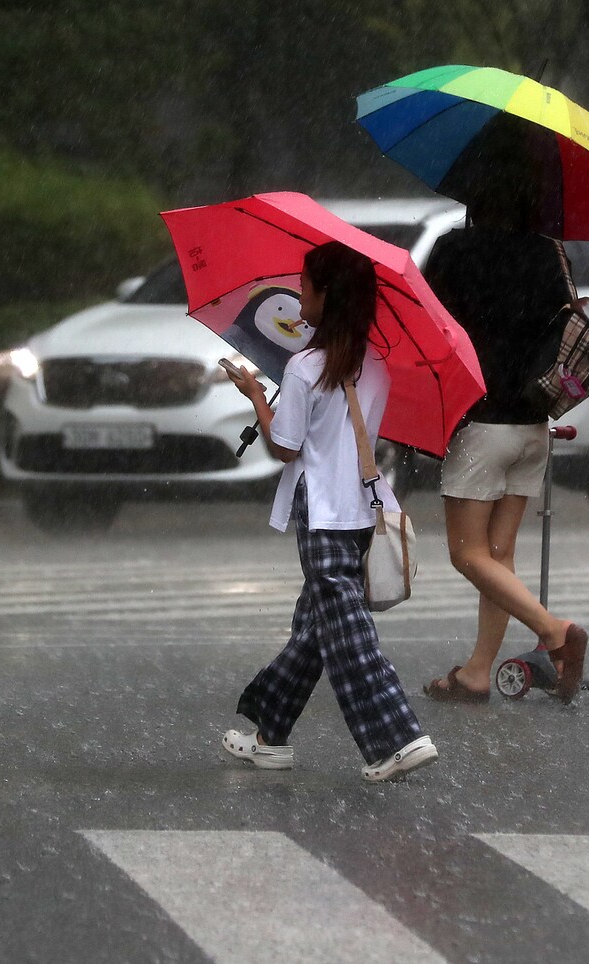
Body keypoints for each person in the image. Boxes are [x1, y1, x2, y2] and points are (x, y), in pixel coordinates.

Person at [220, 241, 438, 782]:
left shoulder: (303, 368)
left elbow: (287, 447)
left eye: (305, 285)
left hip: (319, 513)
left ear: (326, 295)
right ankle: (271, 736)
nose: (298, 294)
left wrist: (255, 397)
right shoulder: (376, 366)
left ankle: (397, 739)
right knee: (315, 629)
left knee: (346, 633)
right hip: (361, 508)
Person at [420, 166, 589, 705]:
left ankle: (553, 630)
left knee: (466, 554)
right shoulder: (547, 253)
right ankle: (476, 672)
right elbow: (573, 321)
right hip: (533, 422)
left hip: (481, 423)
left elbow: (426, 326)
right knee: (498, 553)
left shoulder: (452, 252)